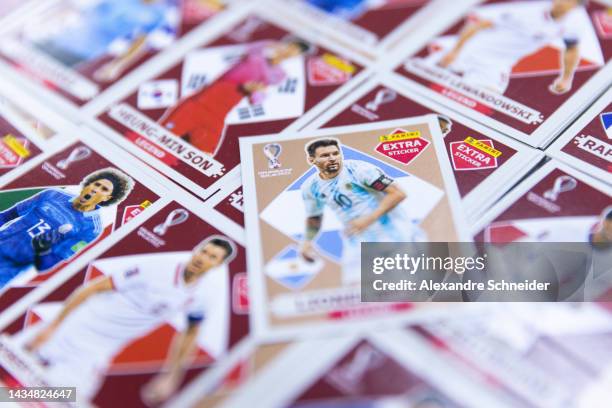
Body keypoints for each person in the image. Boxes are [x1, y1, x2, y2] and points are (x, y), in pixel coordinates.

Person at [26, 236, 236, 404]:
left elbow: (190, 332)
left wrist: (172, 376)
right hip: (76, 326)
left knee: (63, 397)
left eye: (212, 257)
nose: (202, 258)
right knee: (12, 380)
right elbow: (93, 287)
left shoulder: (205, 294)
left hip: (97, 351)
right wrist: (53, 326)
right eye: (203, 251)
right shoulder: (158, 267)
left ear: (219, 265)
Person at [299, 138, 425, 284]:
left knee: (406, 290)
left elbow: (398, 193)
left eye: (336, 153)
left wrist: (369, 219)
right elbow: (315, 217)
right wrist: (307, 242)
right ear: (312, 160)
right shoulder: (310, 187)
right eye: (325, 155)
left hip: (393, 237)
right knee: (355, 291)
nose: (332, 158)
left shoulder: (359, 171)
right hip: (357, 243)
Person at [159, 38, 312, 155]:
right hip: (201, 102)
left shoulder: (279, 75)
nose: (290, 52)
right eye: (291, 46)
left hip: (219, 114)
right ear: (284, 43)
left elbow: (257, 98)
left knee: (205, 155)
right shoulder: (258, 53)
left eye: (296, 52)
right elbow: (251, 53)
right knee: (159, 140)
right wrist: (270, 45)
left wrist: (255, 91)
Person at [0, 168, 133, 287]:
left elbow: (47, 265)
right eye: (96, 184)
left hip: (8, 269)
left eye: (104, 189)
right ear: (88, 184)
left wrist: (43, 249)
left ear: (107, 198)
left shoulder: (92, 229)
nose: (96, 189)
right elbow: (7, 216)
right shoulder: (52, 194)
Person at [435, 0, 586, 95]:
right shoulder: (528, 9)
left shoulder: (572, 25)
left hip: (496, 65)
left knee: (486, 100)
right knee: (428, 79)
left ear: (576, 5)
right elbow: (479, 24)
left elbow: (572, 48)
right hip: (473, 49)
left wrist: (566, 78)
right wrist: (455, 51)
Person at [31, 0, 178, 83]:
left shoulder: (157, 14)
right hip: (60, 36)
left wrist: (117, 65)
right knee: (23, 64)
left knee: (43, 80)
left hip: (84, 52)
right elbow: (82, 8)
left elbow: (140, 43)